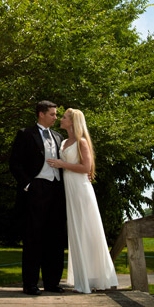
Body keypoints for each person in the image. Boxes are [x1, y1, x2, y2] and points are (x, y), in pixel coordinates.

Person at [47, 108, 118, 293]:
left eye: (63, 117)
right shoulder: (63, 142)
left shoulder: (81, 142)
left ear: (72, 122)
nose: (60, 119)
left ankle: (93, 278)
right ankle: (82, 277)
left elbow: (86, 167)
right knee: (75, 231)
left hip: (81, 190)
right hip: (69, 191)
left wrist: (62, 164)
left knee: (86, 230)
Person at [9, 100, 67, 295]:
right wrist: (28, 185)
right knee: (34, 238)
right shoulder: (25, 134)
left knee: (56, 239)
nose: (56, 117)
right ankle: (31, 285)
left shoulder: (59, 137)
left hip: (57, 191)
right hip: (36, 190)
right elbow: (15, 163)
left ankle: (52, 283)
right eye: (52, 114)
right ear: (41, 114)